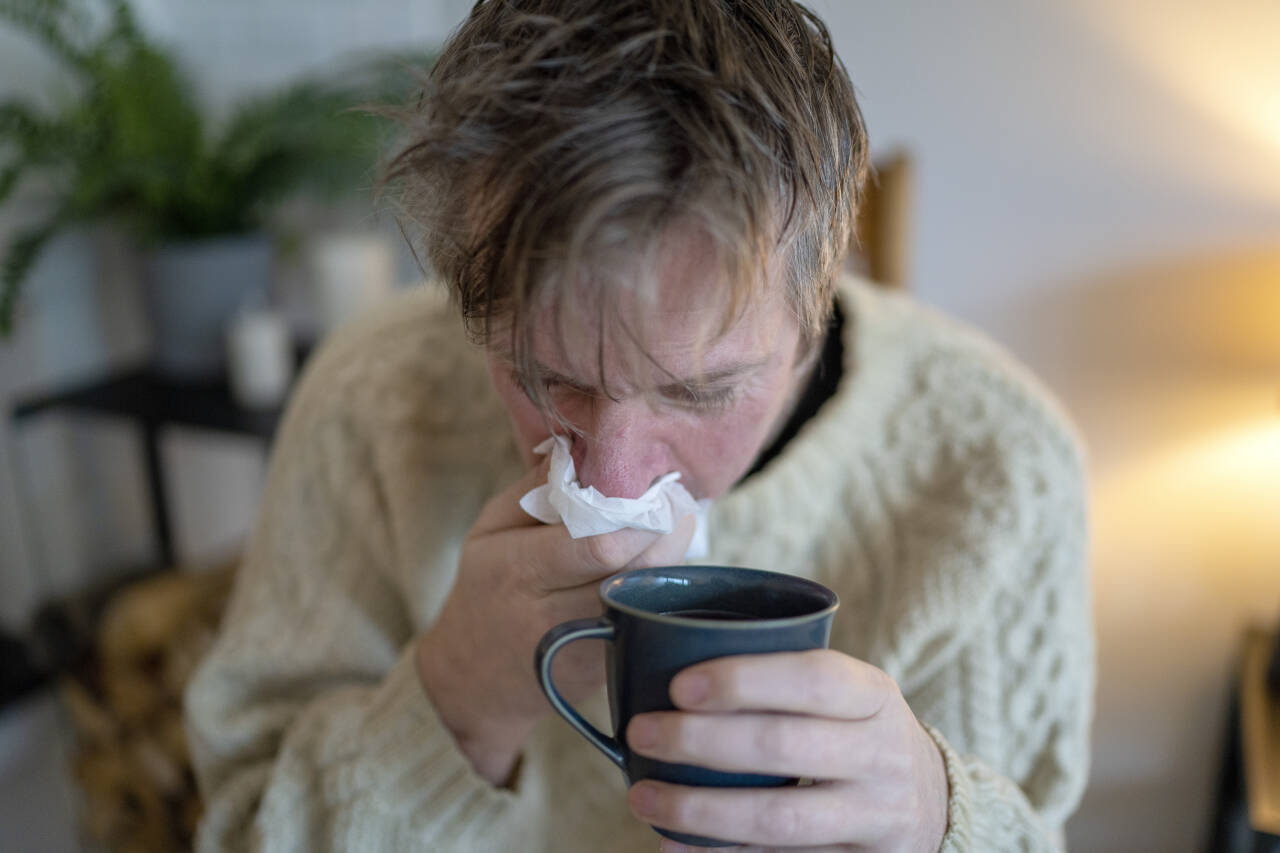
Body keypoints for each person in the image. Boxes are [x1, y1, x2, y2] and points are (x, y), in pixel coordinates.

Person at [185, 1, 1094, 851]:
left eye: (700, 393)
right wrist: (457, 697)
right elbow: (236, 827)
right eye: (547, 378)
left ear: (814, 308)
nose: (614, 480)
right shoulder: (370, 404)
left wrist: (936, 816)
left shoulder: (998, 465)